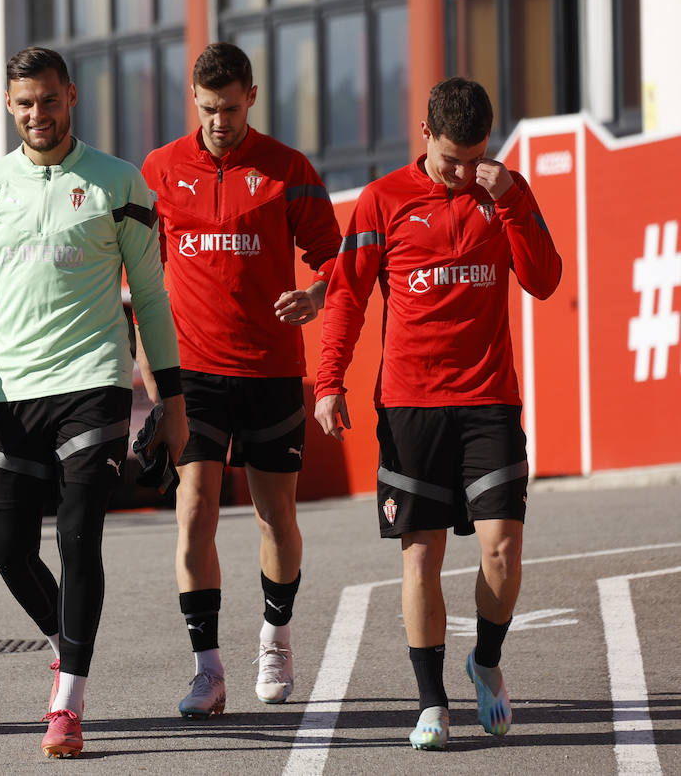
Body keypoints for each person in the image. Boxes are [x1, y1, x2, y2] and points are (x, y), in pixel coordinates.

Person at [0, 47, 188, 759]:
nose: (37, 115)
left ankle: (67, 699)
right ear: (9, 107)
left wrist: (173, 399)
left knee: (79, 535)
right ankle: (67, 639)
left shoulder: (118, 183)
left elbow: (154, 300)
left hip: (94, 382)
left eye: (49, 100)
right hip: (10, 392)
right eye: (24, 103)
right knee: (9, 550)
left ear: (71, 96)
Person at [313, 77, 561, 750]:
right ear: (425, 135)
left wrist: (508, 198)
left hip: (488, 403)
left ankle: (485, 662)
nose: (463, 171)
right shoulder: (382, 200)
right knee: (421, 556)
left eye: (476, 155)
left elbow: (544, 280)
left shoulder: (502, 192)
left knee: (502, 552)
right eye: (452, 157)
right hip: (411, 409)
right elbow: (345, 297)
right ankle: (430, 704)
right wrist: (327, 381)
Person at [135, 42, 341, 717]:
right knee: (193, 514)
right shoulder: (161, 170)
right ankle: (207, 668)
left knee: (273, 515)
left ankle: (276, 638)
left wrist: (314, 296)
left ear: (251, 94)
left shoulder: (289, 170)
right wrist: (147, 364)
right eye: (206, 109)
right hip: (191, 374)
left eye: (228, 107)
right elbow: (139, 276)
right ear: (192, 102)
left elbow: (338, 261)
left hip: (271, 370)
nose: (218, 120)